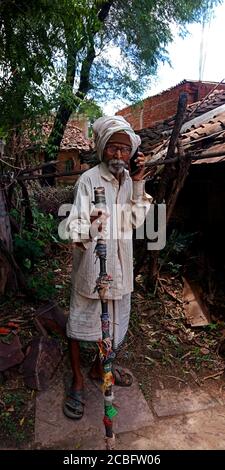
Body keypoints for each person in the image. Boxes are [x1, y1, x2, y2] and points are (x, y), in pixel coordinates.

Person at [63, 116, 152, 419]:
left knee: (114, 332)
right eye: (113, 148)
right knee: (78, 328)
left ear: (131, 154)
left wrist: (139, 181)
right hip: (92, 268)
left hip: (120, 268)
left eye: (124, 150)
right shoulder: (88, 179)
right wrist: (88, 225)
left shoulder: (129, 181)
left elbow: (136, 221)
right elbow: (74, 227)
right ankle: (76, 380)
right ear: (102, 150)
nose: (118, 155)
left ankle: (100, 370)